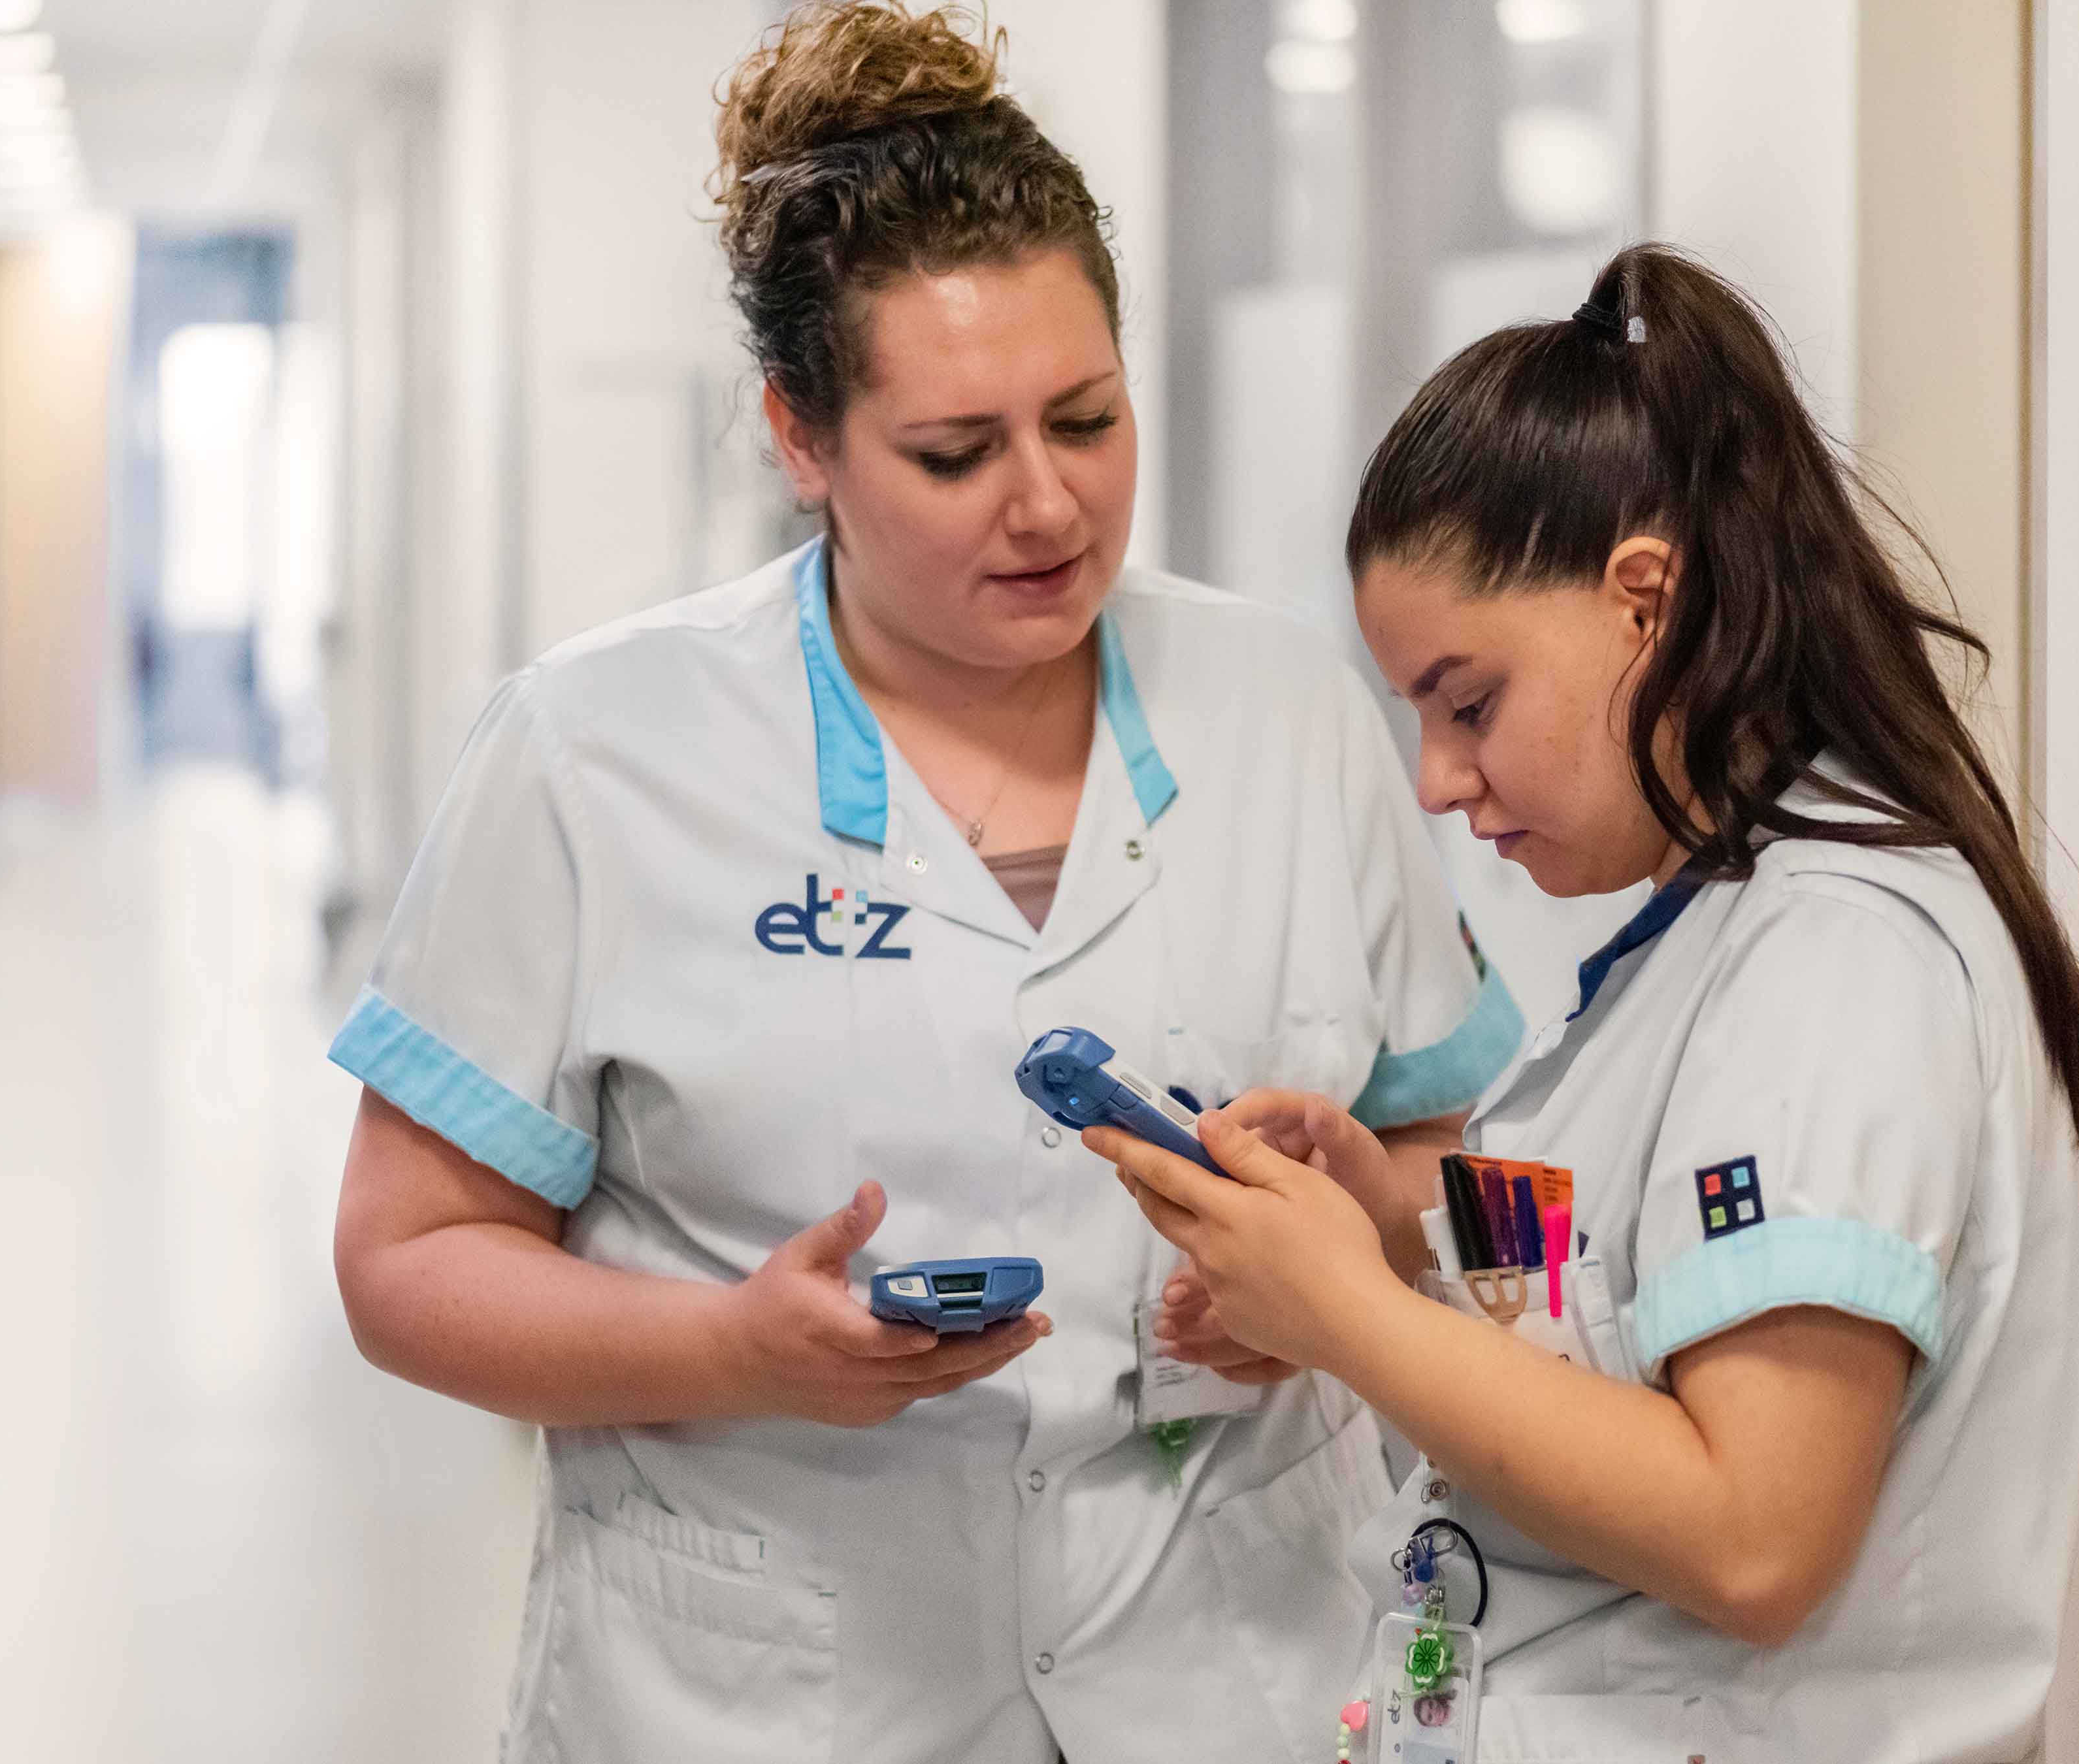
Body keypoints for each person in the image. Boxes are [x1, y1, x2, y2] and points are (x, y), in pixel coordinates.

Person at [326, 6, 1523, 1759]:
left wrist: (1352, 1253)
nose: (1048, 506)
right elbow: (404, 1260)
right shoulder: (593, 751)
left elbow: (1453, 1165)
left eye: (1088, 420)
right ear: (800, 437)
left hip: (1232, 1669)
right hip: (771, 1690)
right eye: (957, 453)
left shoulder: (1289, 712)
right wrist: (732, 1349)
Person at [1104, 244, 2079, 1763]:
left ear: (1646, 600)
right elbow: (1637, 1273)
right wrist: (1394, 1220)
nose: (1439, 781)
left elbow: (1753, 1535)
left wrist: (1350, 1316)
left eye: (1470, 703)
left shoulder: (1840, 963)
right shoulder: (1721, 920)